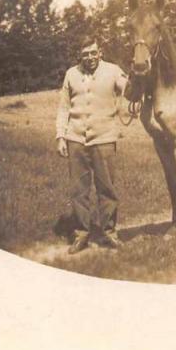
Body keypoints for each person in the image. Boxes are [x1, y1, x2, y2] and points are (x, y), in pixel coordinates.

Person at [56, 35, 129, 254]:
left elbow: (129, 88)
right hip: (75, 139)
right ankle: (81, 235)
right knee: (79, 190)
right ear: (81, 55)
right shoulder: (71, 74)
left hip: (104, 138)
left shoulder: (114, 71)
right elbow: (63, 108)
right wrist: (61, 136)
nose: (89, 57)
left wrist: (137, 80)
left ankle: (109, 233)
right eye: (85, 53)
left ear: (100, 52)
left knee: (107, 189)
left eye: (93, 52)